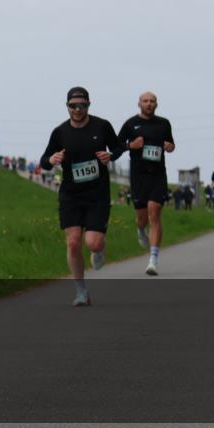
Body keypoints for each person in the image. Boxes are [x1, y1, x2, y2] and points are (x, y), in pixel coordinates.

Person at [40, 87, 123, 307]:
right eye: (73, 106)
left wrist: (111, 155)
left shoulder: (102, 126)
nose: (77, 109)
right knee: (74, 242)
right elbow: (43, 160)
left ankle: (99, 249)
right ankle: (81, 291)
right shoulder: (60, 132)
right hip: (70, 195)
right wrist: (52, 159)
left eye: (82, 105)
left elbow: (118, 146)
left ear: (88, 105)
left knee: (93, 243)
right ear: (67, 106)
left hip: (97, 195)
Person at [119, 91, 175, 275]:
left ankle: (153, 259)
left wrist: (169, 147)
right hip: (138, 176)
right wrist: (131, 146)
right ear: (139, 104)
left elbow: (171, 144)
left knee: (155, 213)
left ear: (156, 104)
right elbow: (116, 147)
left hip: (158, 175)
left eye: (152, 101)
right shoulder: (130, 124)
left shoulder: (164, 123)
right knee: (142, 218)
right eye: (145, 101)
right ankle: (141, 231)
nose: (149, 104)